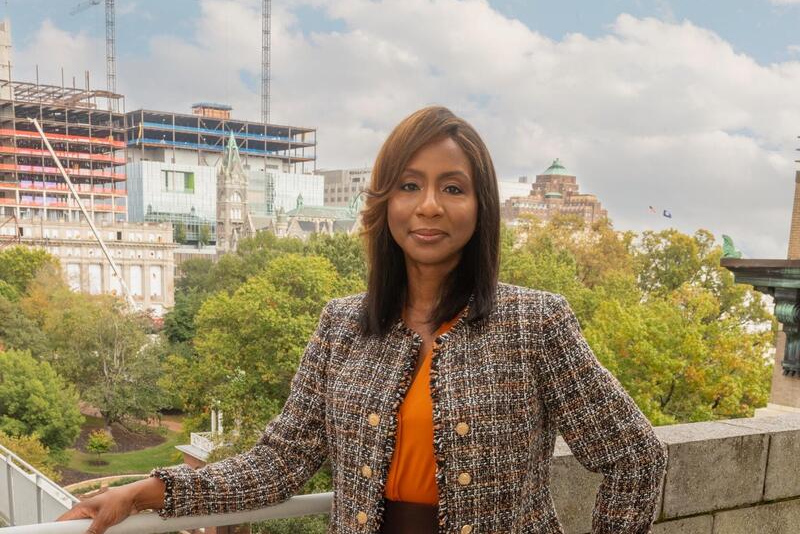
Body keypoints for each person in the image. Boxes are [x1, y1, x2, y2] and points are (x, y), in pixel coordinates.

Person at [58, 106, 668, 534]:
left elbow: (636, 457)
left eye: (453, 188)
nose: (429, 206)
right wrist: (144, 492)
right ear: (384, 202)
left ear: (481, 207)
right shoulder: (342, 327)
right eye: (409, 185)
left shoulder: (534, 323)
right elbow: (278, 462)